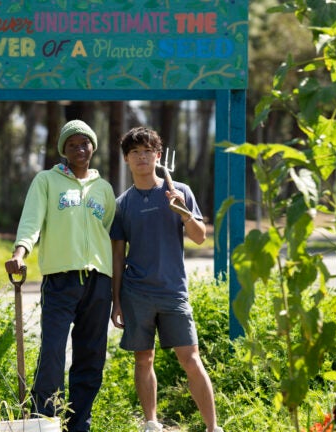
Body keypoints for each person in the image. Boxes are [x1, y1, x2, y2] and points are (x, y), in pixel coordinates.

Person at [4, 119, 116, 432]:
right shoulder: (46, 181)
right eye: (72, 144)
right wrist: (19, 253)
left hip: (98, 282)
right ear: (63, 150)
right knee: (52, 352)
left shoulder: (104, 189)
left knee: (91, 355)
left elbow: (109, 233)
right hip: (60, 280)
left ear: (93, 146)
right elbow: (31, 223)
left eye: (85, 143)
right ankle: (46, 422)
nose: (80, 149)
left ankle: (79, 424)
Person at [110, 126, 223, 432]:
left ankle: (213, 427)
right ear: (126, 160)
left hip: (174, 292)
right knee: (143, 359)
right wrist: (116, 299)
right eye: (135, 152)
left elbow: (200, 238)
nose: (141, 157)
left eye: (147, 151)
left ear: (158, 156)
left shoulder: (180, 191)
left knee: (191, 359)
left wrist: (184, 213)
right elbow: (117, 256)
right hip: (136, 293)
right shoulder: (122, 205)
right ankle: (151, 423)